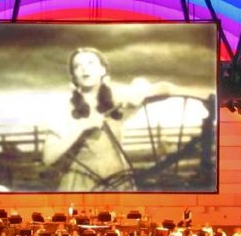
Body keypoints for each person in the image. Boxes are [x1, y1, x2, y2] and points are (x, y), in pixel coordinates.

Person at [42, 47, 172, 191]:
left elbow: (167, 90)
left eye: (91, 63)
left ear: (103, 70)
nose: (84, 69)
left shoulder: (116, 99)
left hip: (117, 180)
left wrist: (143, 91)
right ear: (73, 76)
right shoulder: (65, 109)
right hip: (81, 183)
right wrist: (82, 126)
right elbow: (48, 157)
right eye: (77, 66)